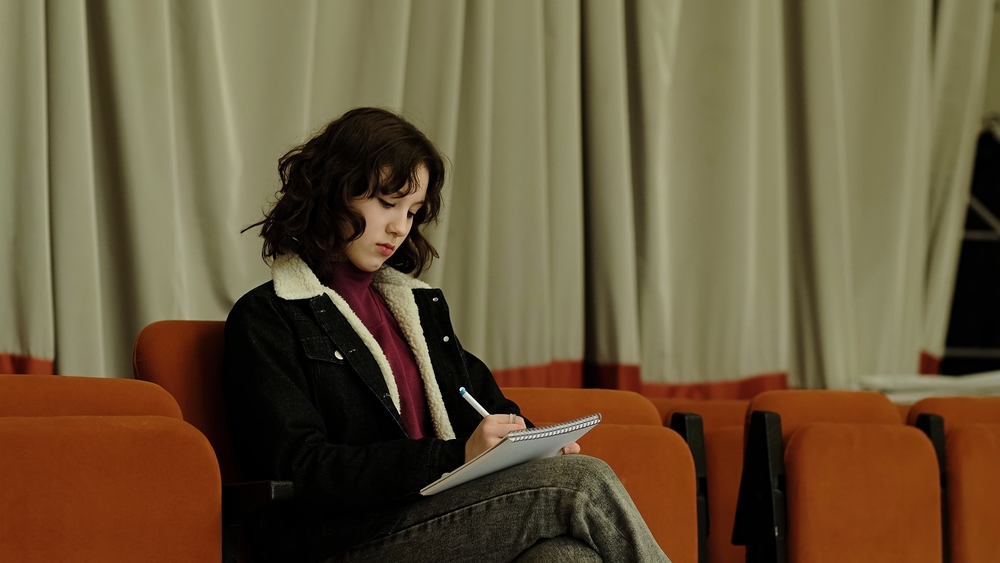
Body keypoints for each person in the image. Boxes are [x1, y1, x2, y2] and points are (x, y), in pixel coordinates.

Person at [222, 107, 670, 563]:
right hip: (341, 540)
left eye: (412, 211)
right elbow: (301, 468)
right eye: (387, 203)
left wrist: (535, 449)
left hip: (434, 519)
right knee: (583, 482)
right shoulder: (268, 316)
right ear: (335, 189)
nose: (400, 227)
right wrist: (454, 456)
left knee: (565, 557)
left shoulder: (416, 310)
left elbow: (489, 407)